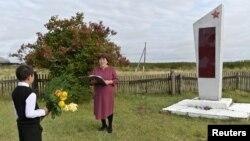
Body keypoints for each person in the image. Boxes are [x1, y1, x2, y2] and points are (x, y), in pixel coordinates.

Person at [12, 65, 49, 141]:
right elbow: (29, 114)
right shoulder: (31, 93)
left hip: (21, 127)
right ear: (29, 77)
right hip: (31, 129)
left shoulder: (14, 92)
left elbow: (16, 111)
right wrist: (43, 111)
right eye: (33, 75)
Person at [90, 53, 119, 133]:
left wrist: (109, 81)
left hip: (108, 93)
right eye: (100, 59)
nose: (102, 61)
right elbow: (91, 80)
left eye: (103, 59)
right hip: (98, 93)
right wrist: (92, 81)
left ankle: (110, 126)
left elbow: (116, 80)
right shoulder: (95, 69)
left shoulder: (111, 69)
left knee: (108, 108)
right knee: (100, 108)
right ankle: (104, 125)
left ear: (107, 61)